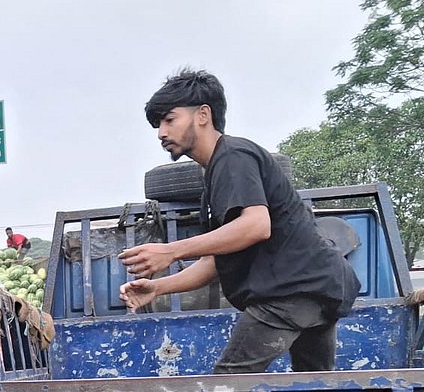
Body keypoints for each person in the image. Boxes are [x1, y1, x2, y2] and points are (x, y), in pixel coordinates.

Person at [118, 70, 360, 374]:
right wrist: (157, 287)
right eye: (159, 125)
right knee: (314, 390)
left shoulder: (233, 157)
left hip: (291, 292)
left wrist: (172, 251)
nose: (161, 133)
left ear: (203, 115)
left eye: (170, 120)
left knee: (227, 388)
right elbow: (215, 262)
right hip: (316, 287)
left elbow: (256, 226)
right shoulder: (217, 175)